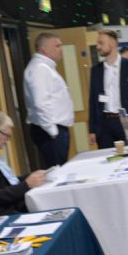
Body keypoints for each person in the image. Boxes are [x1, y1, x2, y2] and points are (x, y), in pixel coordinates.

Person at [23, 32, 74, 167]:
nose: (61, 49)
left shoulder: (44, 67)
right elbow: (41, 103)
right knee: (56, 172)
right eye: (57, 46)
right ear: (44, 50)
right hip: (50, 131)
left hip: (53, 129)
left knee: (59, 169)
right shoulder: (39, 69)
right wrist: (52, 131)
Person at [88, 29, 128, 149]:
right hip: (104, 124)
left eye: (101, 43)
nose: (98, 47)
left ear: (113, 43)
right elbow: (92, 101)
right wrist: (92, 129)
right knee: (107, 159)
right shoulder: (96, 70)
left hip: (127, 120)